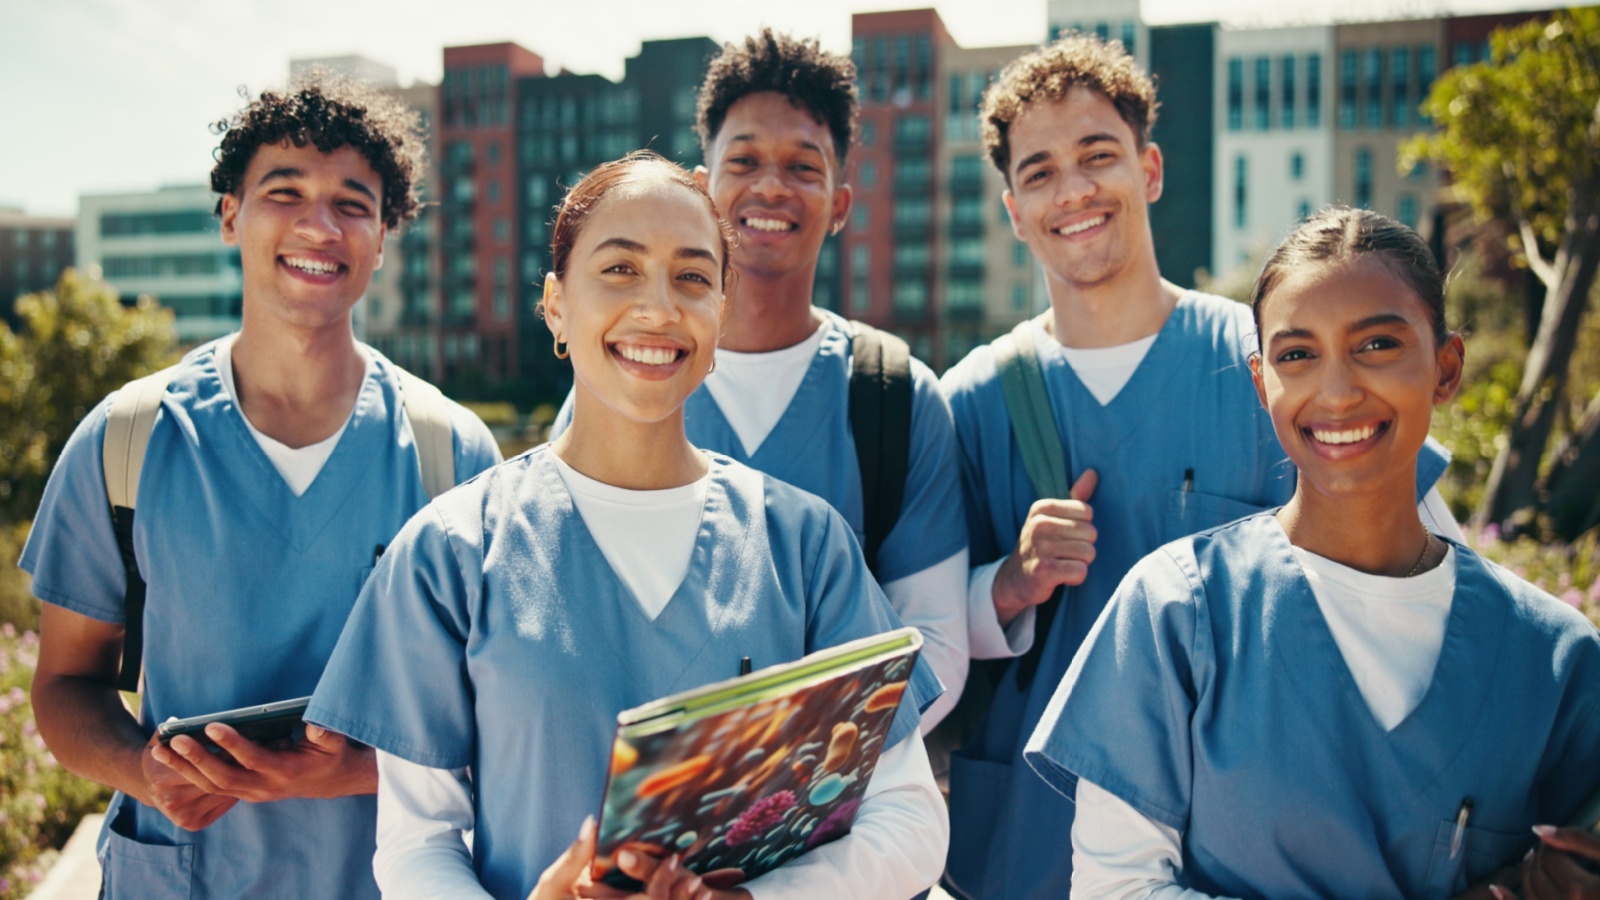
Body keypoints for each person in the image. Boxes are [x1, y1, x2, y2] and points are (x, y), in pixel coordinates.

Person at [305, 152, 949, 900]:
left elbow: (907, 819)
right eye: (619, 269)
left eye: (692, 278)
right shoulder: (451, 551)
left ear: (721, 307)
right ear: (554, 304)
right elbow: (417, 845)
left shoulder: (805, 546)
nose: (658, 308)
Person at [937, 37, 1458, 898]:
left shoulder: (1268, 362)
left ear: (1148, 169)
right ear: (1012, 209)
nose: (1072, 190)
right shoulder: (971, 401)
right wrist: (1008, 586)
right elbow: (918, 634)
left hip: (1247, 849)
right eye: (1039, 172)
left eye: (1096, 155)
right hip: (1033, 847)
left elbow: (1432, 573)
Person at [1024, 206, 1600, 899]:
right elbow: (1116, 890)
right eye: (1297, 355)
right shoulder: (1177, 611)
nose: (1336, 392)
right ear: (1262, 379)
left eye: (1378, 345)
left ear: (1446, 368)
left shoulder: (1554, 659)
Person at [21, 74, 502, 898]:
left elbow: (499, 713)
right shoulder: (127, 439)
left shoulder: (451, 455)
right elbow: (66, 685)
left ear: (385, 235)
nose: (319, 224)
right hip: (180, 878)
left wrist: (350, 771)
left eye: (354, 203)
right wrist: (143, 769)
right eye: (284, 192)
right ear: (230, 215)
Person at [556, 30, 969, 731]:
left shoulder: (894, 396)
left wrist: (779, 775)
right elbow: (571, 619)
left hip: (832, 808)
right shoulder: (617, 378)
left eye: (803, 168)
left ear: (840, 205)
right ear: (703, 190)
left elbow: (936, 647)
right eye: (743, 160)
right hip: (650, 813)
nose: (771, 186)